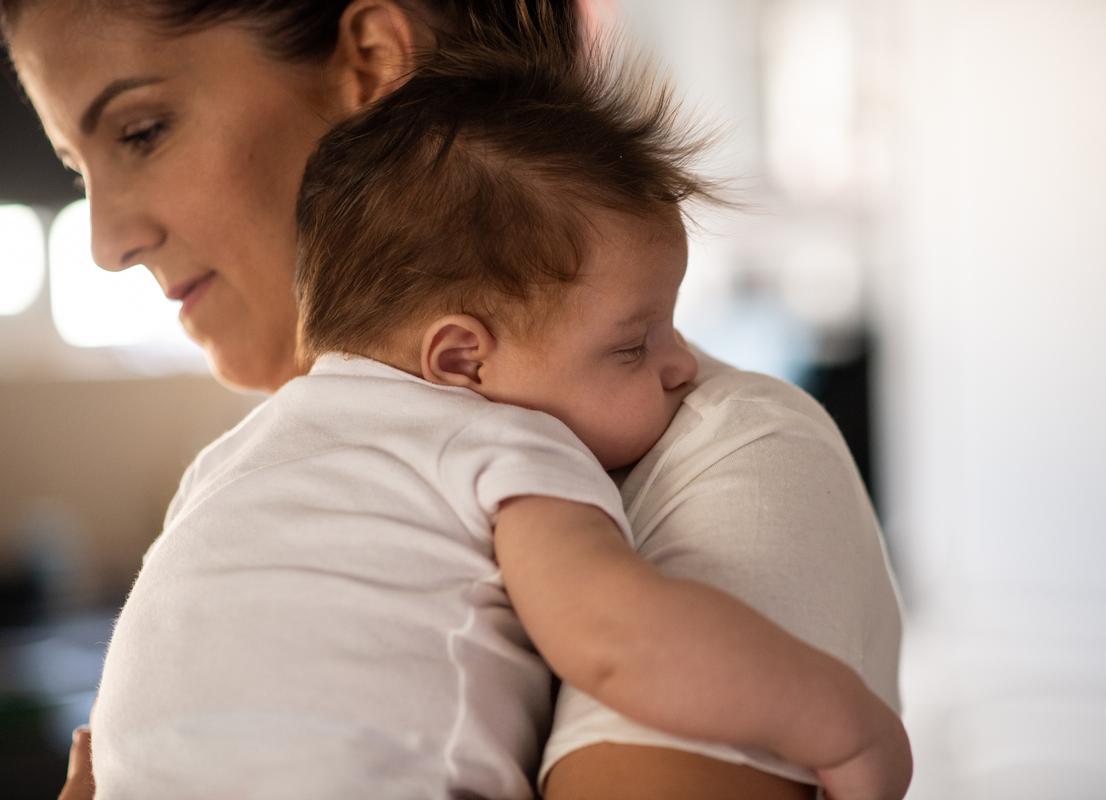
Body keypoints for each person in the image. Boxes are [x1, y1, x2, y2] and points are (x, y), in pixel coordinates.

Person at [3, 1, 906, 797]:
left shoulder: (725, 456)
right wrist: (852, 727)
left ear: (372, 60)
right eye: (82, 172)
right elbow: (615, 634)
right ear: (460, 359)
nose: (105, 242)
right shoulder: (463, 445)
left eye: (142, 131)